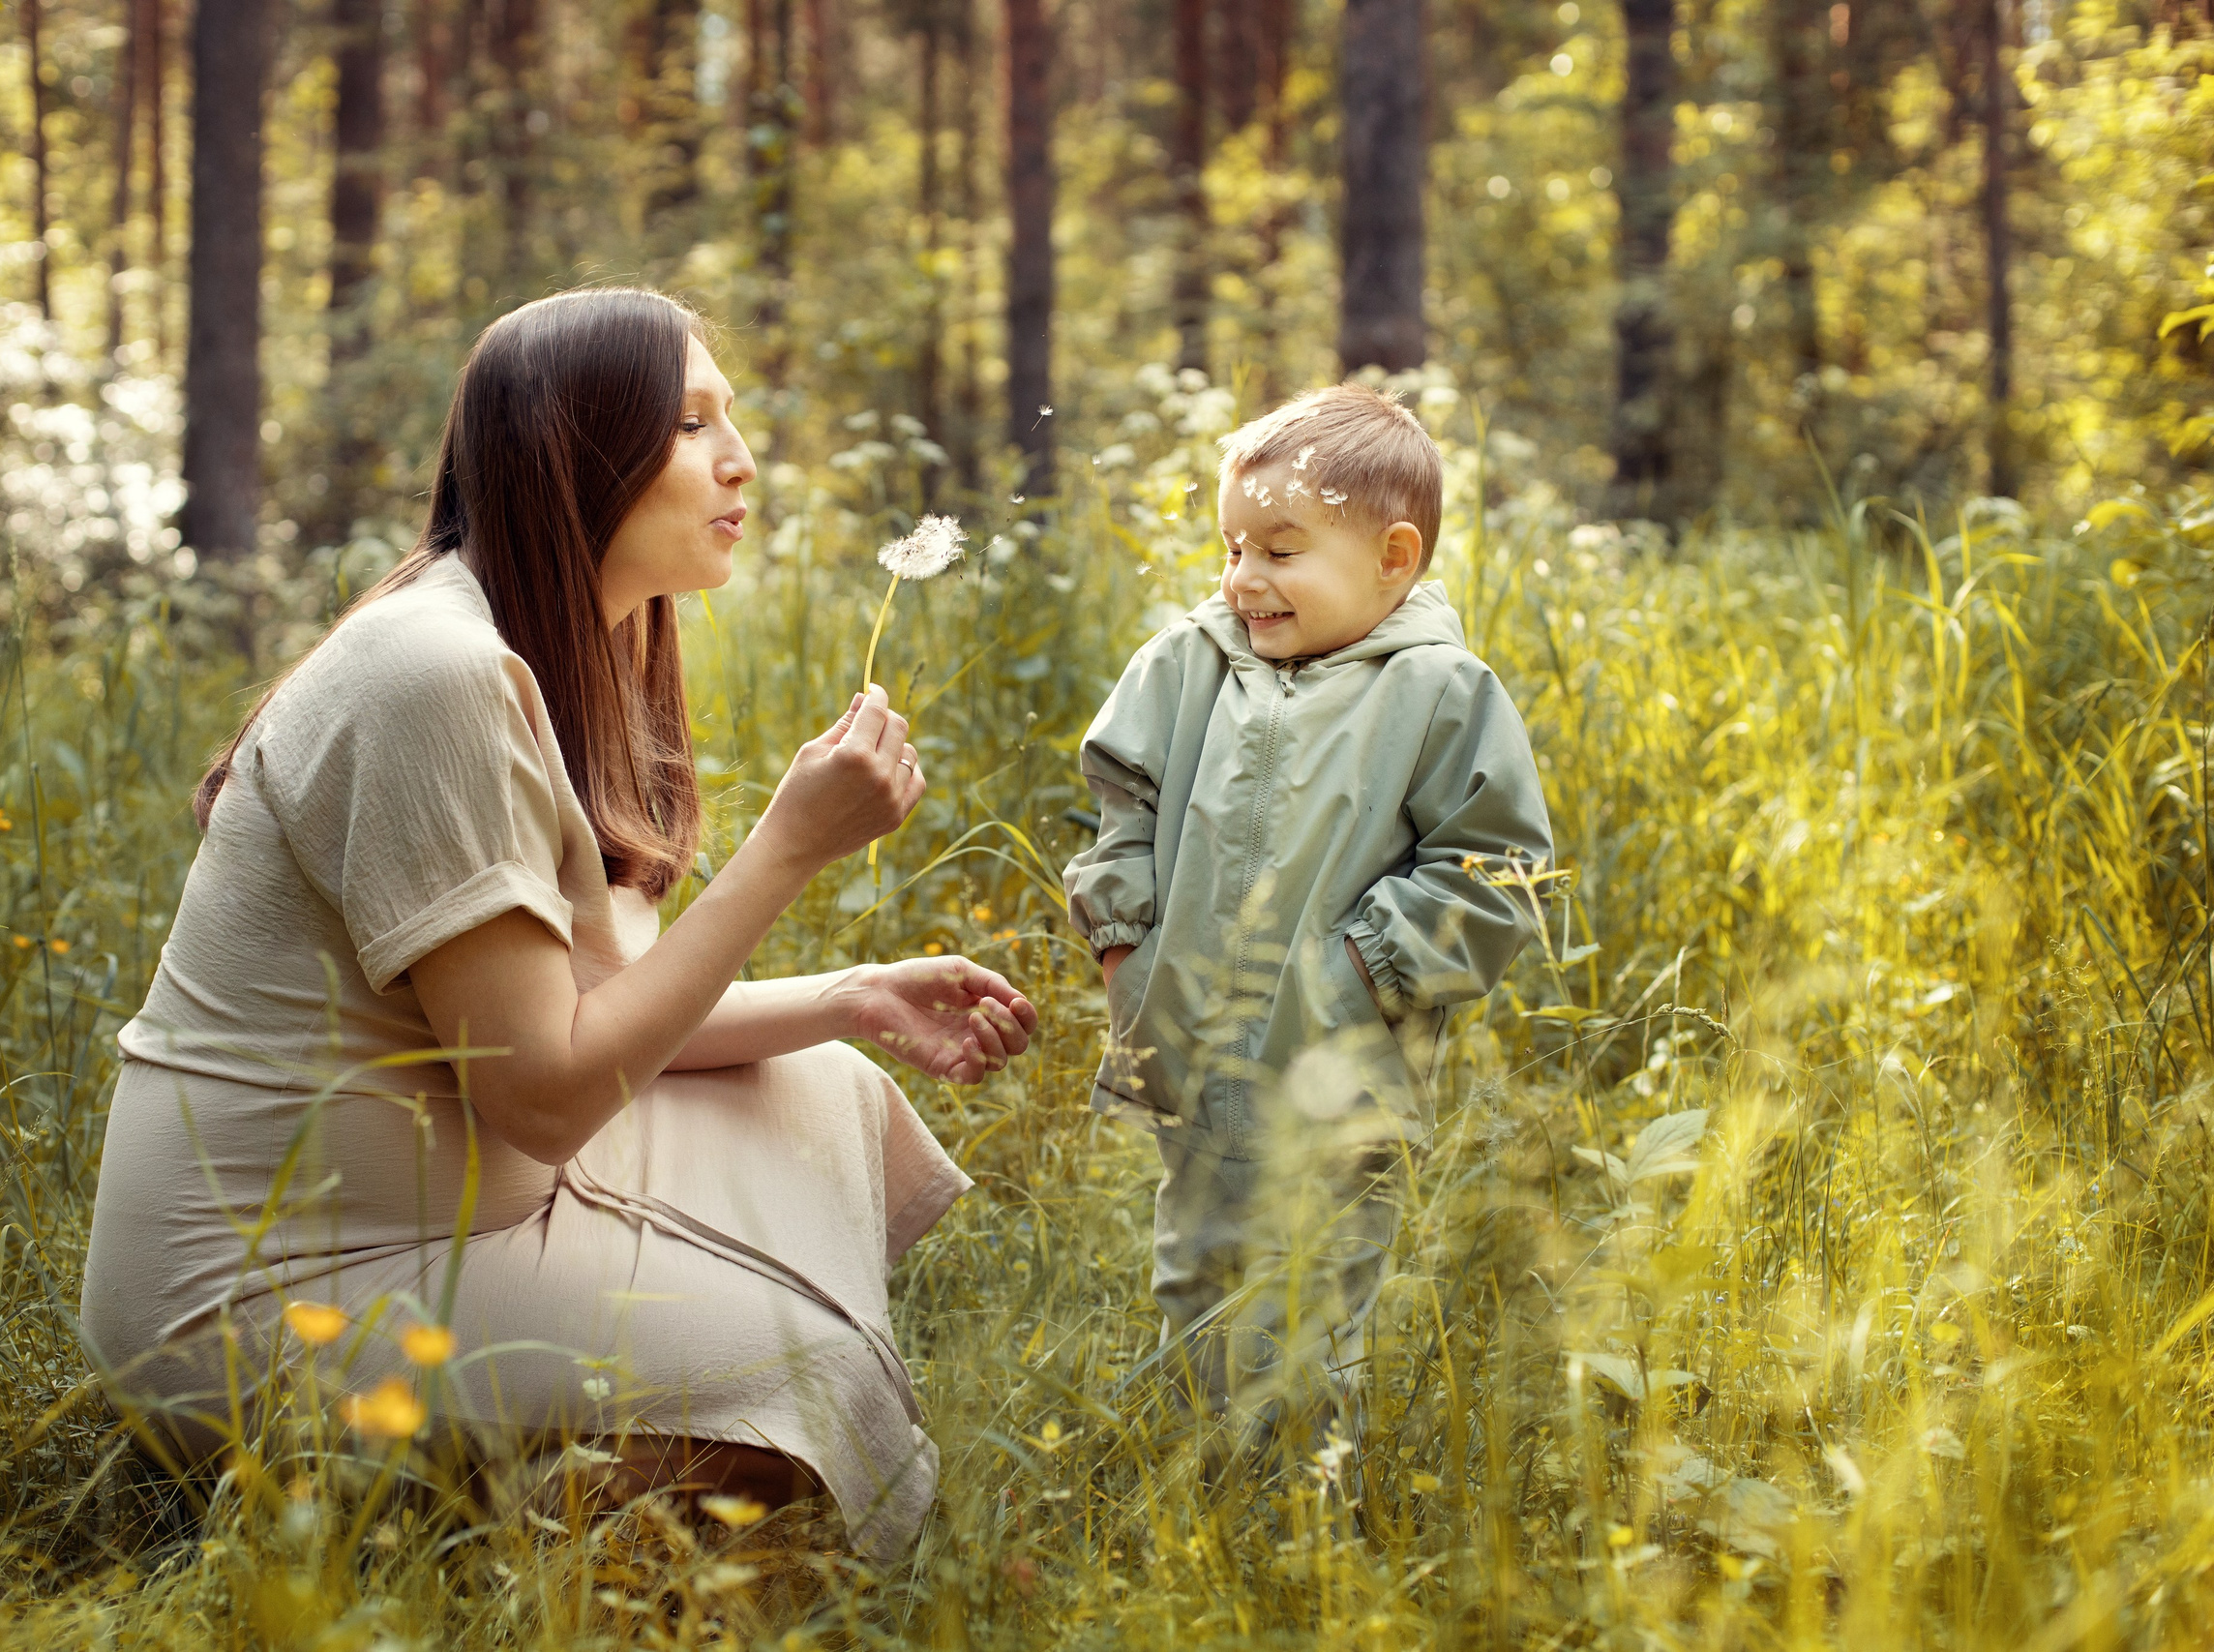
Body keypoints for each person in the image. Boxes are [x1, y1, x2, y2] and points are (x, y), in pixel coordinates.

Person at [79, 287, 1035, 1564]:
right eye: (692, 424)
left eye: (729, 420)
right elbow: (544, 1096)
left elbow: (603, 1018)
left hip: (454, 1203)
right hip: (264, 1293)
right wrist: (789, 850)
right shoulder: (434, 676)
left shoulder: (542, 642)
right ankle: (489, 1520)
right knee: (800, 1361)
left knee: (820, 1089)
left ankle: (605, 1473)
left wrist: (853, 992)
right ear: (573, 455)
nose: (742, 459)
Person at [1062, 383, 1551, 1430]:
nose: (1244, 579)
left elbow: (1496, 865)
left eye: (1279, 551)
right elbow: (1122, 804)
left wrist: (1365, 969)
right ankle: (1200, 1462)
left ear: (1393, 556)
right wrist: (1125, 948)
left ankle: (1299, 1501)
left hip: (1340, 1065)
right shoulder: (1190, 663)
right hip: (1188, 1035)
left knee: (1317, 1281)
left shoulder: (1440, 692)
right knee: (1196, 1259)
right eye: (1231, 549)